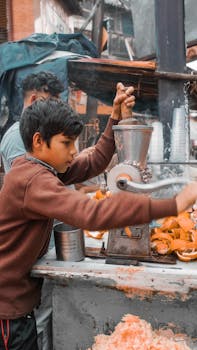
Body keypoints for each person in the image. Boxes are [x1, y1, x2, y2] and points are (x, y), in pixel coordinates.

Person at [1, 91, 196, 350]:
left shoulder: (38, 167)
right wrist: (173, 204)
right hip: (8, 309)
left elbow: (90, 163)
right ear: (39, 141)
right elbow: (91, 214)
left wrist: (114, 119)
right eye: (67, 143)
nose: (74, 151)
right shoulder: (33, 180)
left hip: (17, 303)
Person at [0, 71, 65, 350]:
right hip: (20, 272)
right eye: (52, 104)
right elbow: (36, 188)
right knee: (36, 324)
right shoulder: (19, 137)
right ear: (36, 99)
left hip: (39, 248)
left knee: (41, 319)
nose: (57, 111)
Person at [0, 71, 64, 173]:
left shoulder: (40, 132)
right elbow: (28, 180)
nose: (55, 108)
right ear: (34, 100)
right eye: (51, 103)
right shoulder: (16, 136)